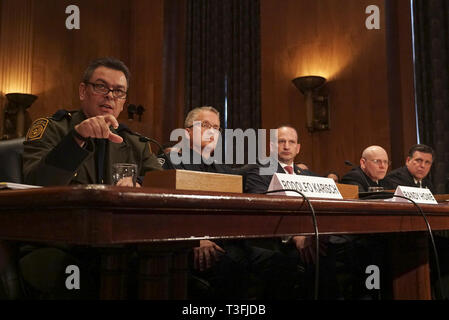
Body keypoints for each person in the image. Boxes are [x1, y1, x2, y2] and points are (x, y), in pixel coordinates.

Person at [19, 57, 162, 299]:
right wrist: (76, 138)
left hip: (120, 245)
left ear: (124, 101)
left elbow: (161, 185)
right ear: (83, 91)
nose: (110, 96)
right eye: (101, 86)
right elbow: (37, 183)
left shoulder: (136, 143)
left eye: (118, 91)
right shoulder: (53, 128)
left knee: (164, 272)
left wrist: (138, 187)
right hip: (58, 243)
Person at [160, 107, 297, 299]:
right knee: (233, 264)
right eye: (205, 125)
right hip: (189, 243)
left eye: (216, 127)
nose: (211, 131)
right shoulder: (170, 162)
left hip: (229, 241)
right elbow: (165, 209)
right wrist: (195, 239)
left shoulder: (224, 170)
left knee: (281, 262)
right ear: (187, 132)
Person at [245, 126, 338, 299]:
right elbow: (262, 209)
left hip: (310, 237)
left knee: (334, 250)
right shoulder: (259, 170)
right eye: (281, 141)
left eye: (291, 142)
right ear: (272, 146)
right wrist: (295, 235)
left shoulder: (307, 175)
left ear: (298, 148)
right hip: (274, 240)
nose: (287, 146)